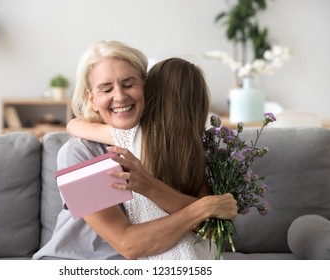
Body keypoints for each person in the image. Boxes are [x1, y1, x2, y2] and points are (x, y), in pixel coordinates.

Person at [32, 41, 237, 260]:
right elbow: (128, 245)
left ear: (146, 87)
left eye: (129, 84)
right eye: (106, 88)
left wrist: (206, 209)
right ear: (92, 99)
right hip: (77, 261)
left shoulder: (172, 143)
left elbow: (213, 227)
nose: (119, 96)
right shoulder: (81, 153)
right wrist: (203, 209)